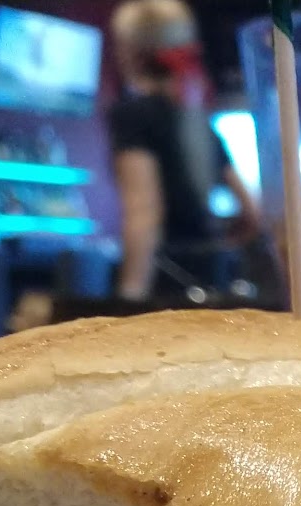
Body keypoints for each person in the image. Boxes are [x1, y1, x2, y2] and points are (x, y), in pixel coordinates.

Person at [107, 0, 258, 302]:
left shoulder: (132, 116)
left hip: (165, 289)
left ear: (131, 51)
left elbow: (143, 213)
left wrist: (129, 297)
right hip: (213, 286)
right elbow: (252, 213)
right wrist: (220, 244)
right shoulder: (199, 122)